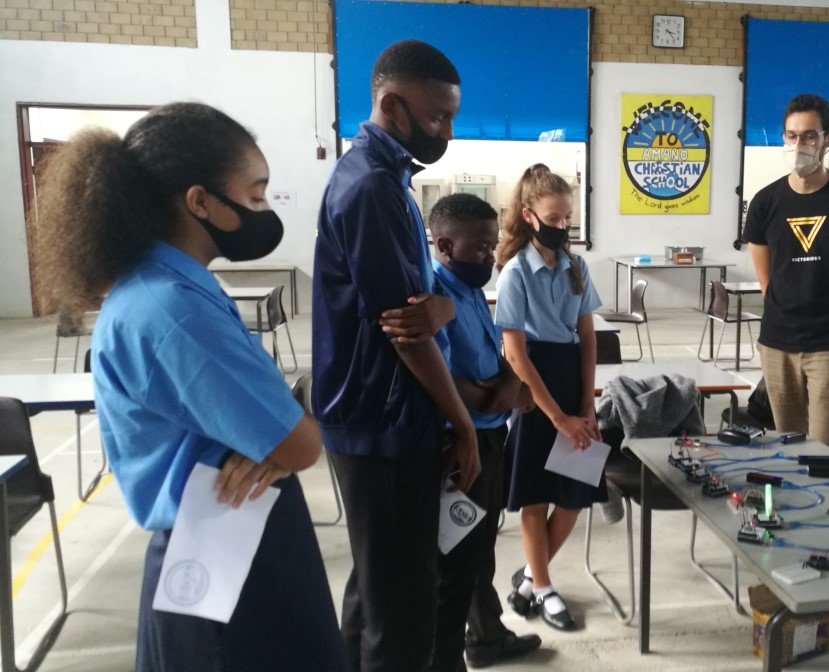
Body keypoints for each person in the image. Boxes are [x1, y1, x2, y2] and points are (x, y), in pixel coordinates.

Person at [31, 102, 349, 671]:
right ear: (200, 201)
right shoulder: (173, 310)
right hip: (221, 546)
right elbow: (300, 444)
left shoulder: (169, 286)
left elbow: (276, 426)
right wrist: (282, 434)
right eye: (255, 195)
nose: (264, 210)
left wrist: (276, 433)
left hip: (230, 525)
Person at [311, 40, 479, 671]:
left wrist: (444, 306)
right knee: (404, 610)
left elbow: (422, 305)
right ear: (391, 105)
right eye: (438, 117)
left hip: (379, 417)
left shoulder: (386, 179)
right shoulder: (371, 189)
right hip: (382, 421)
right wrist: (462, 422)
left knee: (375, 589)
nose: (448, 132)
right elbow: (406, 330)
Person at [418, 193, 541, 670]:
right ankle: (451, 653)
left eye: (493, 247)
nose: (489, 257)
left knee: (479, 549)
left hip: (491, 437)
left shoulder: (469, 291)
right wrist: (498, 397)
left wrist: (507, 386)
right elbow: (441, 382)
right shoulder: (435, 296)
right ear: (445, 245)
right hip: (460, 447)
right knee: (455, 560)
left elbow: (494, 360)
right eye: (480, 248)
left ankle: (487, 635)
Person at [742, 93, 829, 455]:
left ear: (828, 139)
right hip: (777, 345)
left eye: (809, 136)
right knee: (787, 449)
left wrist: (824, 303)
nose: (798, 145)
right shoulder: (765, 202)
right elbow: (767, 282)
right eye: (791, 136)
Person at [495, 164, 603, 632]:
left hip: (570, 382)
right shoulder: (515, 273)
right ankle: (542, 586)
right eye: (554, 218)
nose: (562, 227)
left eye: (567, 219)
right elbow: (516, 355)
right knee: (535, 499)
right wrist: (558, 418)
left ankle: (527, 581)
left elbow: (588, 338)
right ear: (529, 215)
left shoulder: (576, 268)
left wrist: (587, 406)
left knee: (576, 494)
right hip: (533, 392)